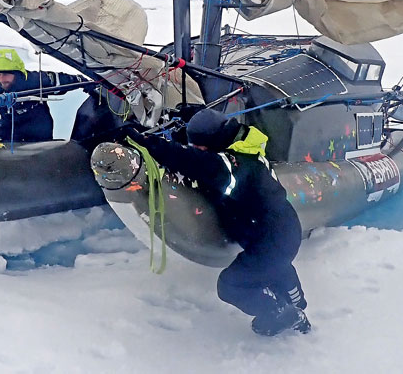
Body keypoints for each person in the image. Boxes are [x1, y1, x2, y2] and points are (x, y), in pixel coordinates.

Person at [128, 108, 310, 336]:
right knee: (276, 268)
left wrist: (147, 143)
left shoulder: (236, 164)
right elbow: (202, 155)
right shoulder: (245, 148)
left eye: (200, 145)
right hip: (281, 232)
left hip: (269, 240)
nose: (196, 149)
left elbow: (195, 162)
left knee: (231, 285)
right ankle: (297, 305)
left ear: (215, 141)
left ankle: (281, 312)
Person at [0, 48, 89, 144]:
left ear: (17, 73)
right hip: (9, 127)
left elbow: (62, 80)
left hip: (38, 128)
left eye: (7, 74)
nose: (2, 79)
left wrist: (84, 82)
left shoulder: (35, 80)